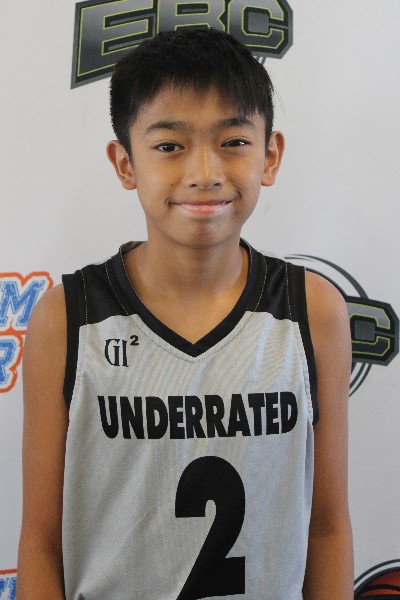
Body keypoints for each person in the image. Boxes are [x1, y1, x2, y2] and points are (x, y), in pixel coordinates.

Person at [16, 28, 353, 600]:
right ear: (125, 163)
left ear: (270, 155)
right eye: (170, 146)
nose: (204, 171)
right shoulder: (68, 318)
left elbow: (326, 528)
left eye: (233, 141)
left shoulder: (312, 311)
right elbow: (43, 542)